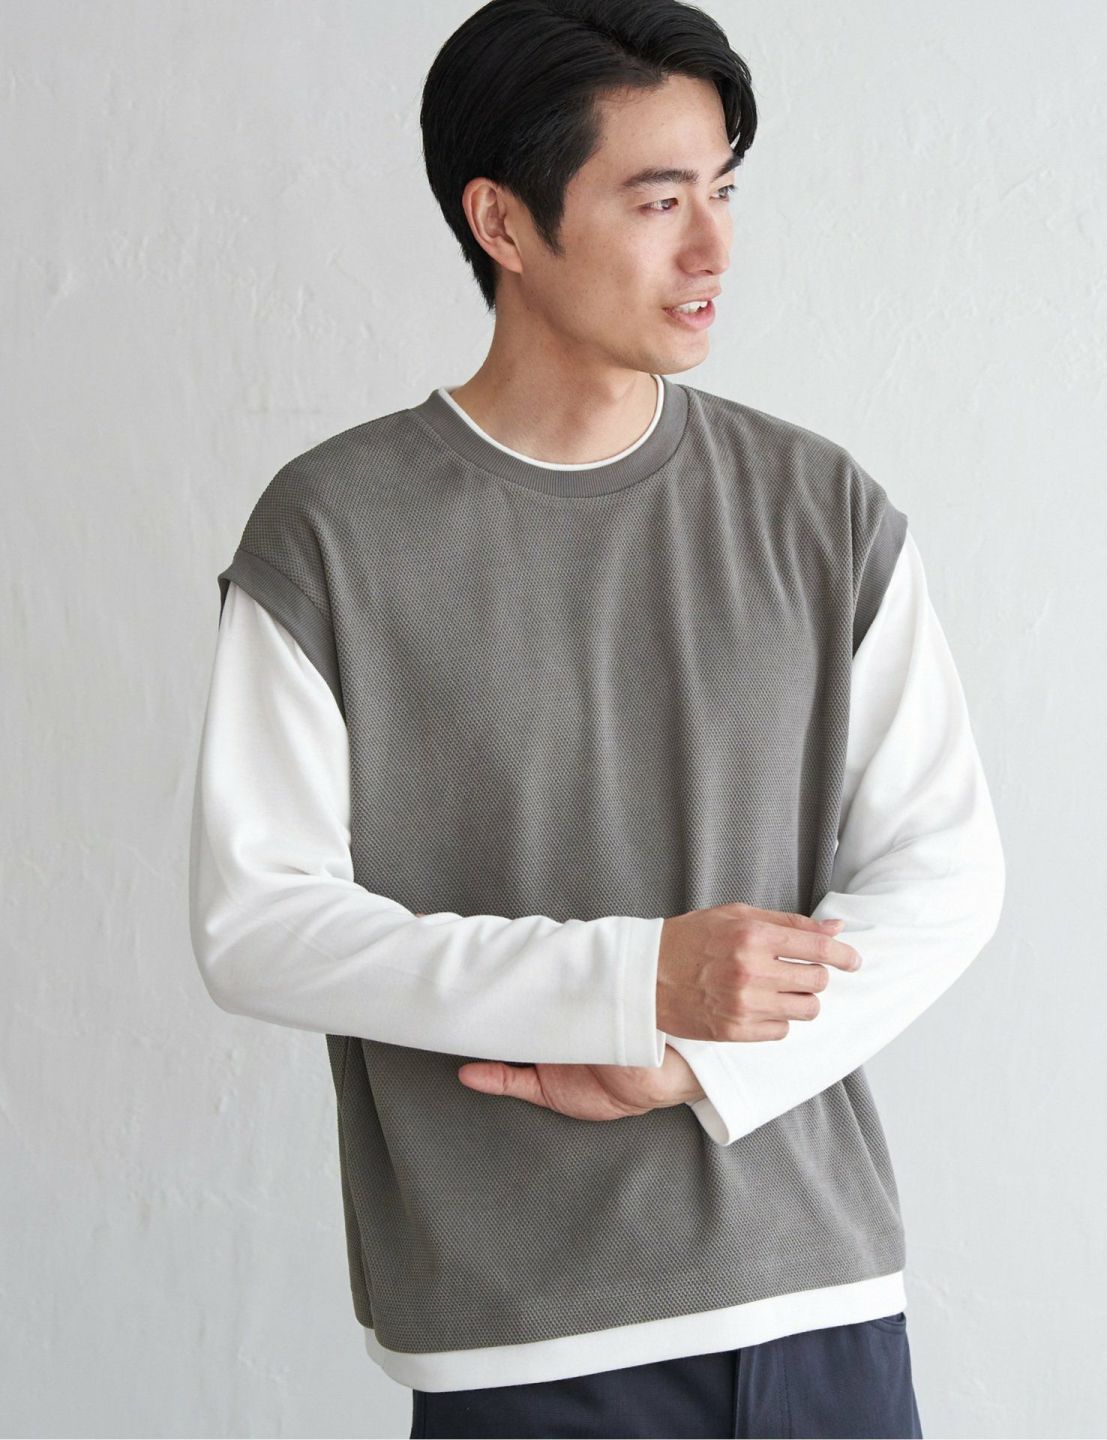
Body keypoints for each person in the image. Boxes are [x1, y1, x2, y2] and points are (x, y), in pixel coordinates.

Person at [188, 2, 1005, 1435]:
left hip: (819, 1306)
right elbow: (259, 923)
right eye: (657, 200)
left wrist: (694, 1054)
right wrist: (634, 978)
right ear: (502, 221)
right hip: (520, 1349)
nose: (714, 250)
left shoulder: (821, 510)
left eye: (724, 190)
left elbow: (945, 876)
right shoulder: (334, 530)